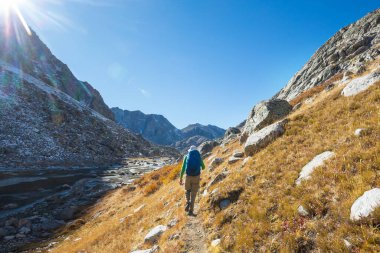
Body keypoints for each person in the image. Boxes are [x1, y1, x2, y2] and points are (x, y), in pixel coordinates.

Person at [179, 145, 205, 216]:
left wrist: (181, 178)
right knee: (193, 194)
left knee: (187, 190)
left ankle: (188, 201)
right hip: (196, 177)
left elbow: (183, 168)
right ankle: (191, 211)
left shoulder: (186, 156)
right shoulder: (198, 157)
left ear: (189, 151)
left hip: (188, 176)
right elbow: (203, 167)